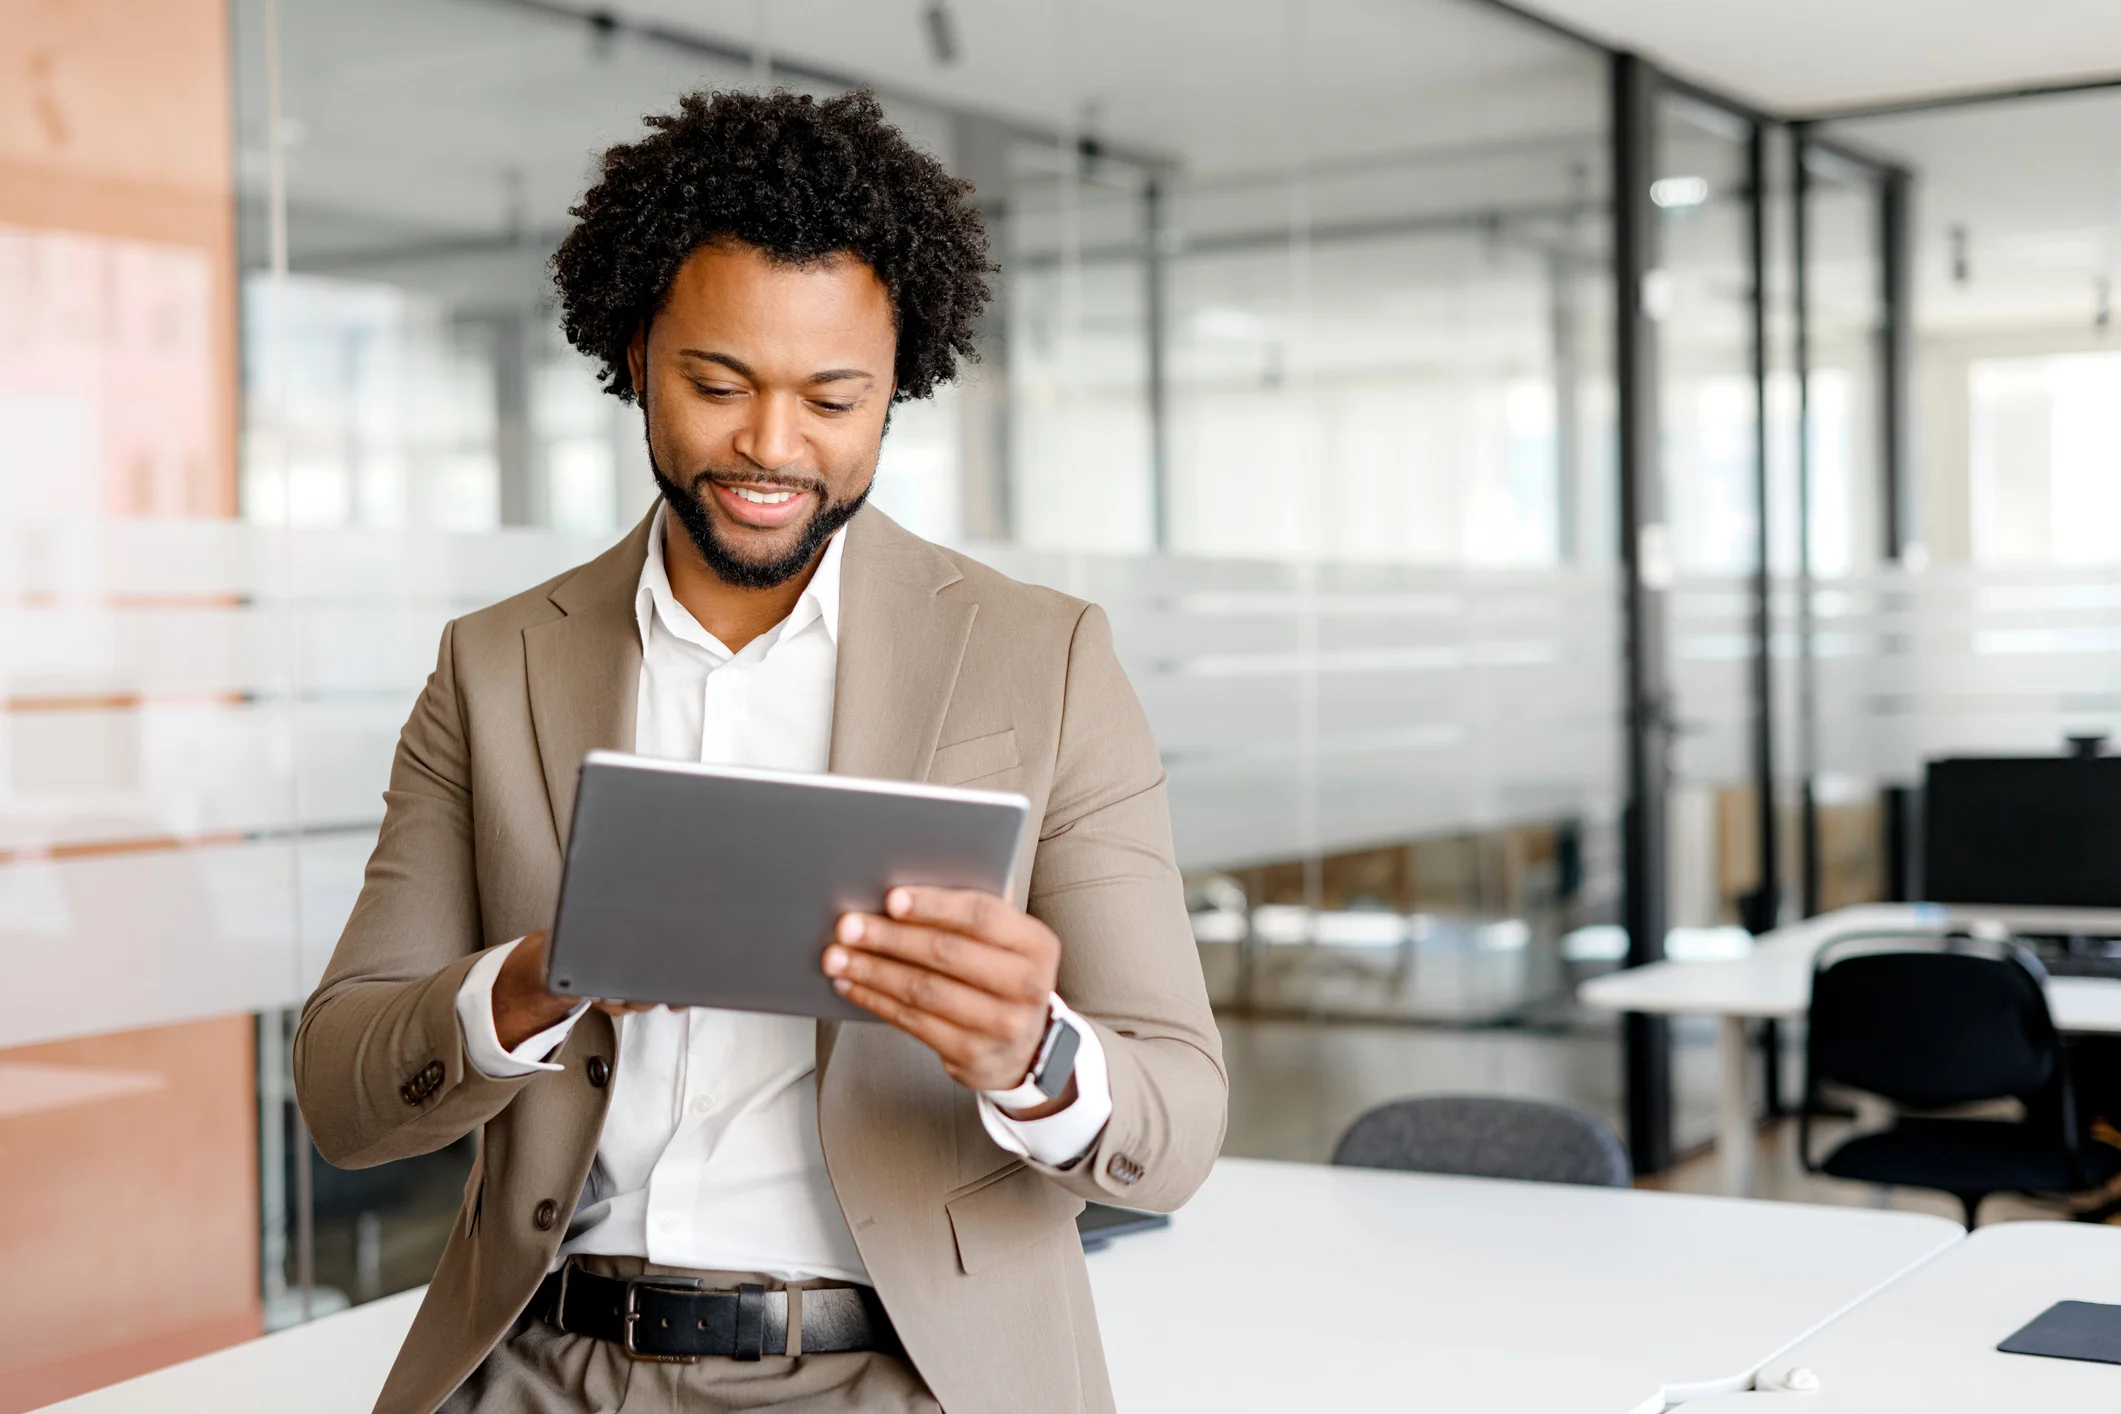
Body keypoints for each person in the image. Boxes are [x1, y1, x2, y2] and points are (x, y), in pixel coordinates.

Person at [294, 88, 1226, 1414]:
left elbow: (1178, 1120)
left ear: (899, 384)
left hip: (904, 1374)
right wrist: (534, 983)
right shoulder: (495, 665)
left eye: (832, 397)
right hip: (548, 1364)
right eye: (717, 383)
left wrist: (1033, 1053)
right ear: (635, 354)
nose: (771, 446)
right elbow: (342, 1086)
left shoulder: (1046, 662)